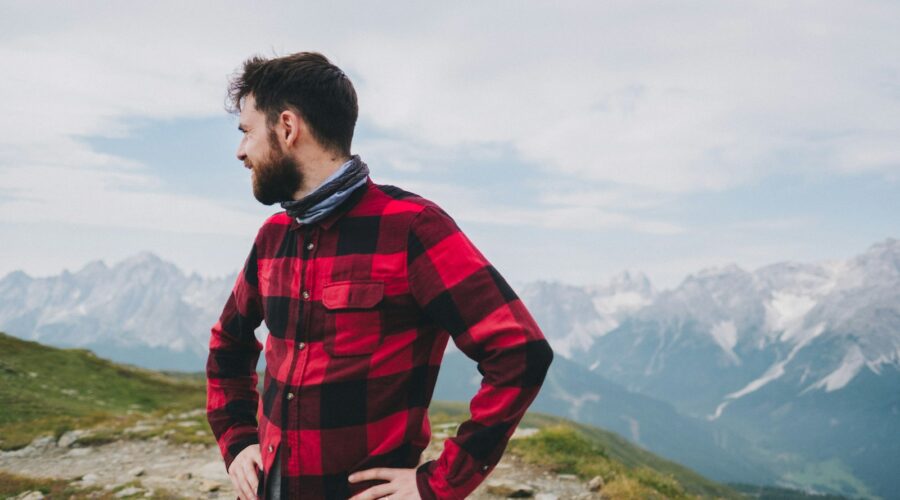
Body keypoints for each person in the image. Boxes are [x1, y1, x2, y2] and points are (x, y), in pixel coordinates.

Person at [206, 51, 553, 500]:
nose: (241, 152)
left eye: (247, 132)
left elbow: (521, 352)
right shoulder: (273, 236)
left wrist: (438, 485)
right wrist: (237, 441)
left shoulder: (412, 228)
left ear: (287, 128)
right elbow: (228, 345)